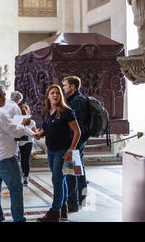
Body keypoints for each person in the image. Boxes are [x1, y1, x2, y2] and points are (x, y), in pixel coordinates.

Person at [0, 85, 35, 222]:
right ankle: (18, 219)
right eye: (4, 95)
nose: (5, 98)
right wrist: (24, 123)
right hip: (5, 155)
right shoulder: (0, 113)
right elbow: (15, 131)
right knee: (15, 188)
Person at [34, 84, 81, 222]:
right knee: (61, 180)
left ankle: (54, 212)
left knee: (57, 180)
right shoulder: (47, 112)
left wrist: (71, 150)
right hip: (51, 150)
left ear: (60, 96)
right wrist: (39, 134)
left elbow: (78, 132)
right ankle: (63, 207)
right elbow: (45, 127)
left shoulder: (66, 111)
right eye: (52, 93)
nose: (55, 95)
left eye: (57, 93)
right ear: (48, 96)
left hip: (63, 151)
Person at [62, 76, 90, 212]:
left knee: (71, 172)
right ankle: (80, 198)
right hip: (77, 141)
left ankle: (73, 202)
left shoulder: (78, 102)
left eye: (65, 85)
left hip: (75, 141)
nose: (63, 88)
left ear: (73, 87)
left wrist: (70, 145)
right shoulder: (74, 100)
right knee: (78, 169)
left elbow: (75, 126)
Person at [18, 104, 36, 185]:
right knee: (24, 159)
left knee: (25, 159)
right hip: (22, 142)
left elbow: (35, 133)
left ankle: (25, 177)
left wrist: (26, 129)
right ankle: (25, 176)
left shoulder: (31, 122)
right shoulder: (19, 122)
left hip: (27, 142)